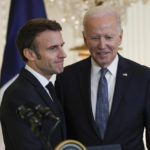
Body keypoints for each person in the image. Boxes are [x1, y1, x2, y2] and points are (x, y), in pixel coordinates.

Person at [55, 6, 150, 150]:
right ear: (85, 38)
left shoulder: (143, 77)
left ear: (120, 37)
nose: (102, 45)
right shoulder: (66, 78)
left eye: (108, 37)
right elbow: (59, 134)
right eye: (94, 38)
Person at [0, 18, 67, 150]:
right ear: (30, 54)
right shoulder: (19, 95)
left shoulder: (48, 87)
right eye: (53, 48)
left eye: (61, 46)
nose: (63, 54)